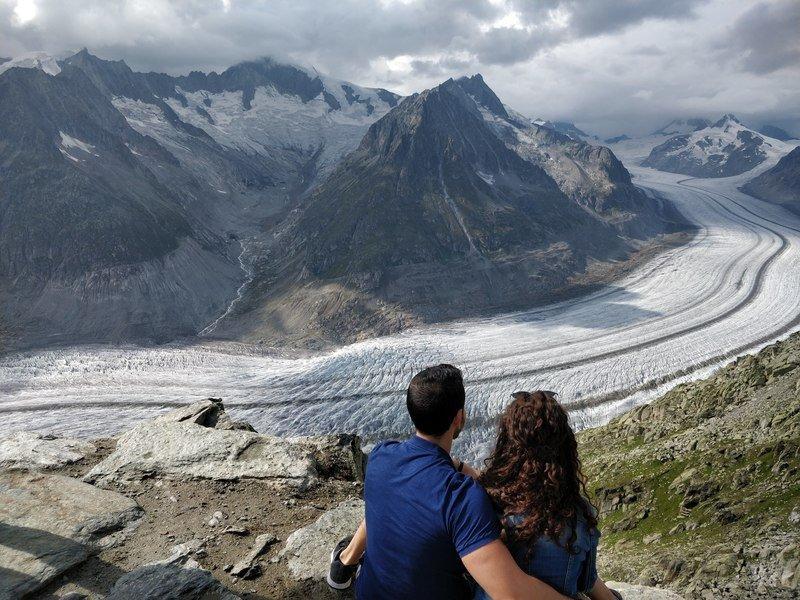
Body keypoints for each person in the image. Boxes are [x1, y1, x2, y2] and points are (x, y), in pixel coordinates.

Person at [327, 364, 568, 600]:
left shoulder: (381, 456)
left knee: (389, 500)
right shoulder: (461, 497)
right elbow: (511, 594)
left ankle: (345, 560)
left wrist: (458, 465)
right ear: (459, 418)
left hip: (367, 592)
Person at [477, 391, 619, 600]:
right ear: (565, 448)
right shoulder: (580, 516)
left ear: (507, 446)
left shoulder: (488, 503)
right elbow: (586, 582)